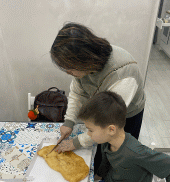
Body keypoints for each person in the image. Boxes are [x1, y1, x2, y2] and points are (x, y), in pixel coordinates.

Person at [50, 22, 145, 172]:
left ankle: (112, 178)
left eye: (70, 68)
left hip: (128, 113)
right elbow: (77, 92)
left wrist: (76, 142)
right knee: (100, 147)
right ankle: (100, 172)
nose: (68, 72)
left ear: (83, 59)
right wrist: (69, 121)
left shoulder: (123, 74)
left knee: (119, 152)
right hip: (105, 110)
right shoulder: (85, 65)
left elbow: (105, 122)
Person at [77, 91, 170, 182]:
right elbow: (106, 162)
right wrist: (97, 176)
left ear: (111, 129)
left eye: (90, 130)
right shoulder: (106, 140)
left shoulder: (136, 152)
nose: (88, 134)